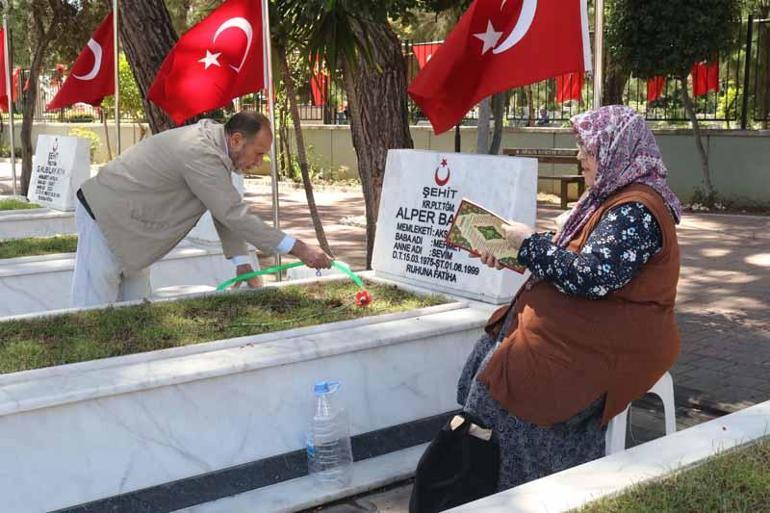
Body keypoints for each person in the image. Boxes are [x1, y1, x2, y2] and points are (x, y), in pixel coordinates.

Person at [459, 105, 682, 491]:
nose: (580, 158)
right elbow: (576, 252)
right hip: (582, 327)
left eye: (588, 149)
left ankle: (534, 489)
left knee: (513, 391)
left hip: (614, 342)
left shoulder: (637, 211)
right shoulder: (609, 196)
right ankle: (498, 482)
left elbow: (592, 277)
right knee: (486, 364)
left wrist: (528, 244)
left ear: (617, 149)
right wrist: (514, 248)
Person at [71, 111, 331, 307]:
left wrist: (242, 263)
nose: (258, 162)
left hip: (133, 227)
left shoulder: (215, 149)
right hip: (105, 215)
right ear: (238, 139)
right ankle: (79, 370)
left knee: (134, 308)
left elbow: (221, 206)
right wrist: (301, 249)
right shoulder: (200, 150)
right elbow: (231, 213)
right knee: (91, 309)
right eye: (258, 153)